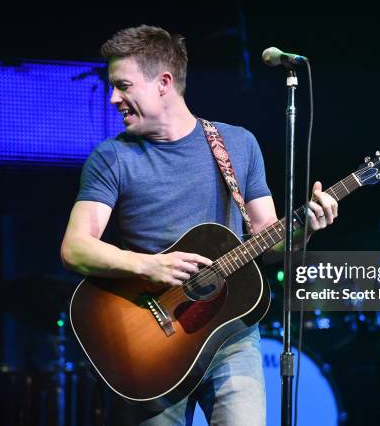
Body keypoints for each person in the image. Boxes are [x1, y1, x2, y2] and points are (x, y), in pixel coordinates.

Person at [61, 25, 338, 426]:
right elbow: (75, 247)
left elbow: (269, 238)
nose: (113, 98)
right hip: (150, 344)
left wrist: (306, 228)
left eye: (122, 86)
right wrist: (149, 266)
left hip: (231, 335)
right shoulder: (111, 158)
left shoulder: (238, 144)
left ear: (164, 83)